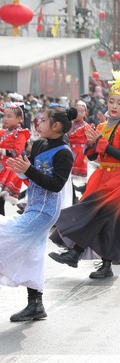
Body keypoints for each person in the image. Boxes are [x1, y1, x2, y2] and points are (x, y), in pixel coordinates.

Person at [48, 68, 120, 279]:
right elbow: (91, 156)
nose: (114, 106)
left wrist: (99, 142)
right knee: (90, 213)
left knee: (107, 219)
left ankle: (85, 257)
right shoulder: (102, 126)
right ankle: (77, 254)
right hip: (102, 175)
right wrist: (90, 146)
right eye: (112, 101)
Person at [0, 107, 75, 321]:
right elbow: (32, 176)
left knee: (5, 237)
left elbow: (56, 185)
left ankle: (35, 304)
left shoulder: (64, 152)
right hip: (33, 205)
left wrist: (29, 170)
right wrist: (22, 170)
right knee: (32, 255)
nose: (38, 123)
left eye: (43, 120)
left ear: (56, 126)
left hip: (45, 210)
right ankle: (36, 305)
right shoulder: (41, 144)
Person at [0, 104, 31, 212]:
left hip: (9, 167)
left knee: (1, 200)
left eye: (9, 116)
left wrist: (2, 151)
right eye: (4, 116)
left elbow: (17, 151)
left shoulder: (21, 133)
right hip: (2, 166)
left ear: (19, 119)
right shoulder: (4, 132)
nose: (5, 119)